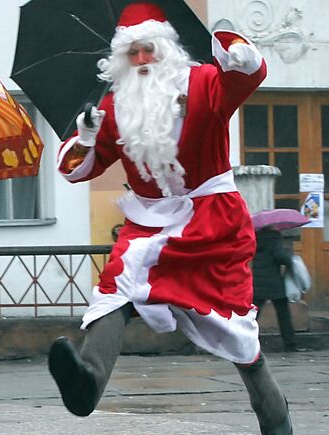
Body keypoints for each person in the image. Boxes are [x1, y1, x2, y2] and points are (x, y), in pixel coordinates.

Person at [48, 3, 292, 434]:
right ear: (121, 59)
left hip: (213, 223)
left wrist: (230, 42)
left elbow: (250, 74)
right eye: (132, 53)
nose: (141, 60)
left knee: (237, 334)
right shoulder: (112, 106)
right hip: (148, 224)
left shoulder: (202, 84)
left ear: (166, 50)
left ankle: (275, 417)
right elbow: (74, 170)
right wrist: (85, 136)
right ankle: (87, 381)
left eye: (149, 50)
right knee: (116, 288)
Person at [252, 226, 302, 352]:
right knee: (283, 315)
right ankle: (290, 344)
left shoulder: (254, 238)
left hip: (257, 282)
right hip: (274, 283)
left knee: (252, 316)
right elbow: (281, 257)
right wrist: (289, 256)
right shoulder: (274, 238)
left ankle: (245, 343)